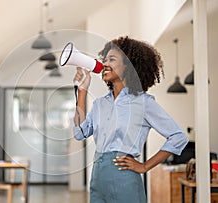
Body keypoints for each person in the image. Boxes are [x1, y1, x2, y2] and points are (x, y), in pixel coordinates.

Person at [73, 36, 189, 203]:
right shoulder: (100, 104)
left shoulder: (143, 103)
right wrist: (82, 90)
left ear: (129, 65)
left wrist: (145, 166)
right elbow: (79, 132)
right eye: (104, 59)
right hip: (98, 178)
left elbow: (179, 136)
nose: (105, 63)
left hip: (124, 179)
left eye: (111, 59)